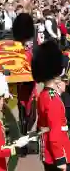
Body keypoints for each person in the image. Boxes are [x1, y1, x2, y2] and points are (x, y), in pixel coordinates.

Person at [32, 40, 70, 171]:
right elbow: (55, 134)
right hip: (57, 154)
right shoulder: (53, 99)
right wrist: (60, 159)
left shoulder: (44, 95)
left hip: (47, 151)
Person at [12, 13, 37, 137]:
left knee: (30, 112)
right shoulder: (20, 49)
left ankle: (24, 131)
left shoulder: (28, 49)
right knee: (23, 110)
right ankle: (23, 133)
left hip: (29, 83)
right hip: (21, 83)